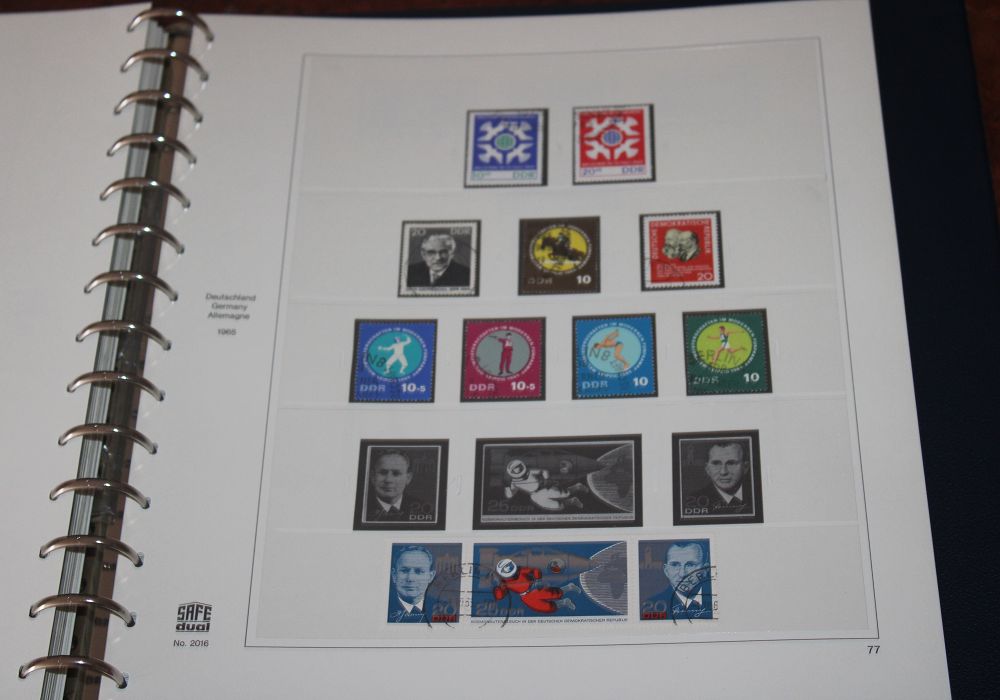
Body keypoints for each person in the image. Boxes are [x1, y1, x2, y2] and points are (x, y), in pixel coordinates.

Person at [645, 541, 711, 619]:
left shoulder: (719, 601)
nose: (682, 574)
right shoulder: (650, 607)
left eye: (690, 565)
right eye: (675, 565)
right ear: (666, 571)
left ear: (705, 570)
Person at [365, 451, 429, 522]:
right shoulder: (361, 508)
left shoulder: (424, 510)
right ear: (373, 476)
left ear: (408, 478)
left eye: (396, 473)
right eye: (383, 473)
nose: (388, 480)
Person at [689, 442, 750, 514]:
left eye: (731, 463)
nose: (723, 472)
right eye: (716, 463)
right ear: (707, 469)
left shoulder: (758, 497)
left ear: (745, 467)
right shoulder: (691, 501)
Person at [388, 545, 437, 623]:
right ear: (394, 575)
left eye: (419, 571)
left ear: (430, 576)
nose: (410, 578)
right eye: (404, 571)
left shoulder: (444, 610)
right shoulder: (382, 607)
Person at [406, 232, 470, 287]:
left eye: (443, 252)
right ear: (423, 254)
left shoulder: (466, 275)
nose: (438, 258)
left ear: (452, 254)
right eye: (431, 252)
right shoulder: (410, 272)